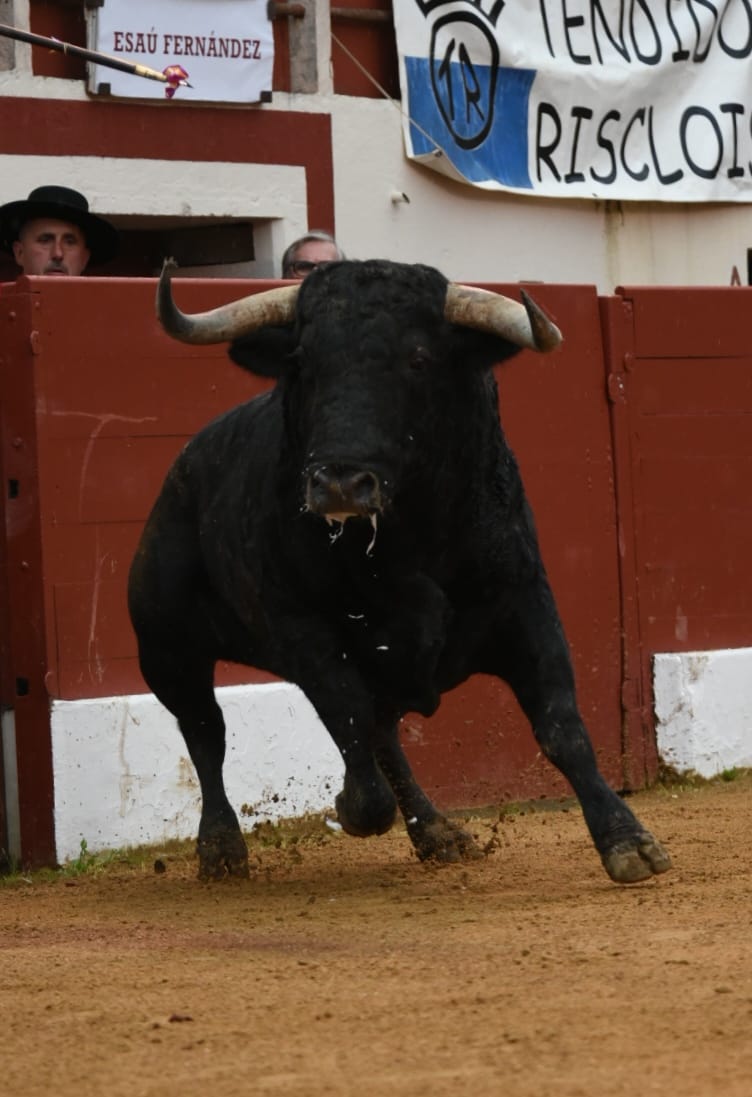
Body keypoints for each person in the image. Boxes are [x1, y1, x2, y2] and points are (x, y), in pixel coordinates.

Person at [0, 185, 119, 277]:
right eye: (45, 240)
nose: (58, 254)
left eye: (70, 242)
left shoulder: (106, 309)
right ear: (20, 253)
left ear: (84, 258)